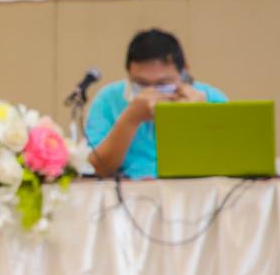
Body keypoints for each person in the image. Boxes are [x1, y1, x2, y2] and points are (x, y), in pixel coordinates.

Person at [86, 28, 227, 179]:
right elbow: (95, 168)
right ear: (128, 73)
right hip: (128, 188)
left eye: (163, 84)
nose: (151, 92)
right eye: (141, 83)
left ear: (184, 71)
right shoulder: (108, 100)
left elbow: (228, 162)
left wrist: (200, 116)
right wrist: (130, 119)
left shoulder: (210, 98)